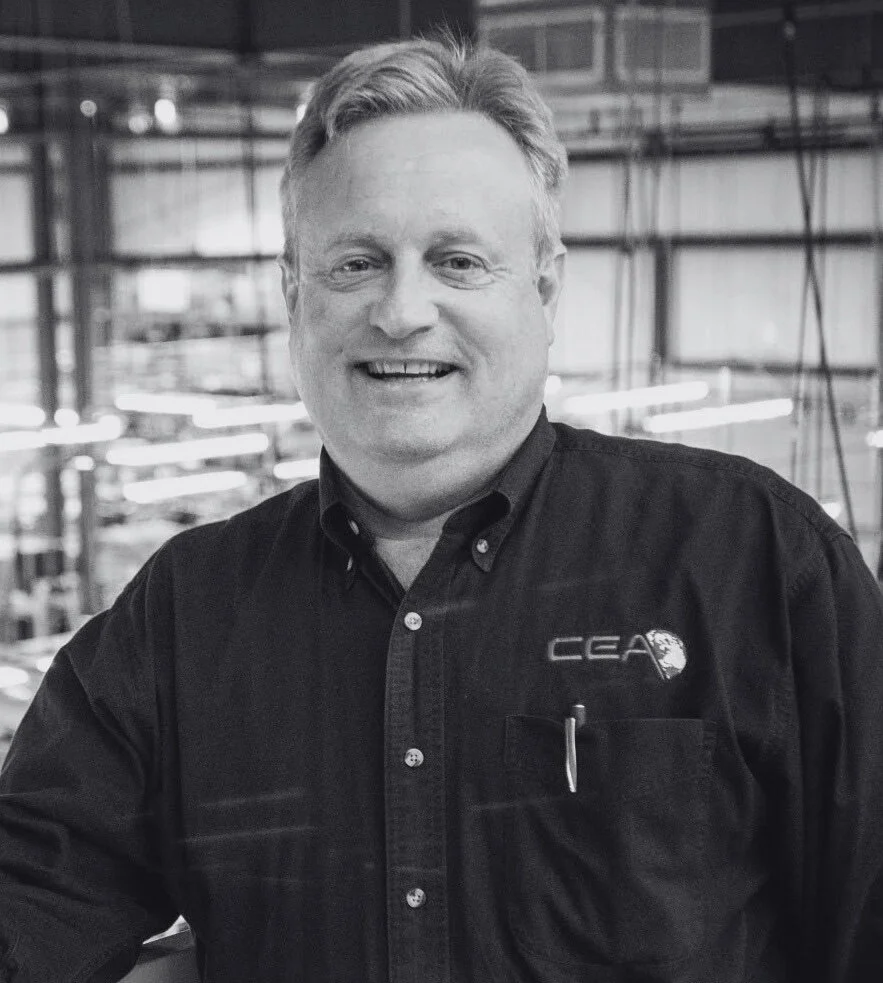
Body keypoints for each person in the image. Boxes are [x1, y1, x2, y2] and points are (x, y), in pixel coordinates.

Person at [1, 33, 882, 983]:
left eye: (458, 261)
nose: (401, 310)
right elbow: (33, 898)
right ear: (294, 294)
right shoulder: (184, 614)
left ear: (544, 289)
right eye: (355, 264)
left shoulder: (753, 562)